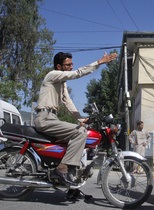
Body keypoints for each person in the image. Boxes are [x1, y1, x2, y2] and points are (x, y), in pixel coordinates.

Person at [34, 51, 117, 186]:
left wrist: (80, 119)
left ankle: (72, 182)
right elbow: (77, 73)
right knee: (80, 132)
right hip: (45, 118)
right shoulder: (52, 75)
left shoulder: (62, 83)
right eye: (68, 65)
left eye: (72, 64)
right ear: (59, 66)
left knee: (80, 130)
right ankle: (61, 169)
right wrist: (99, 62)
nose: (71, 67)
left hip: (52, 117)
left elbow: (67, 101)